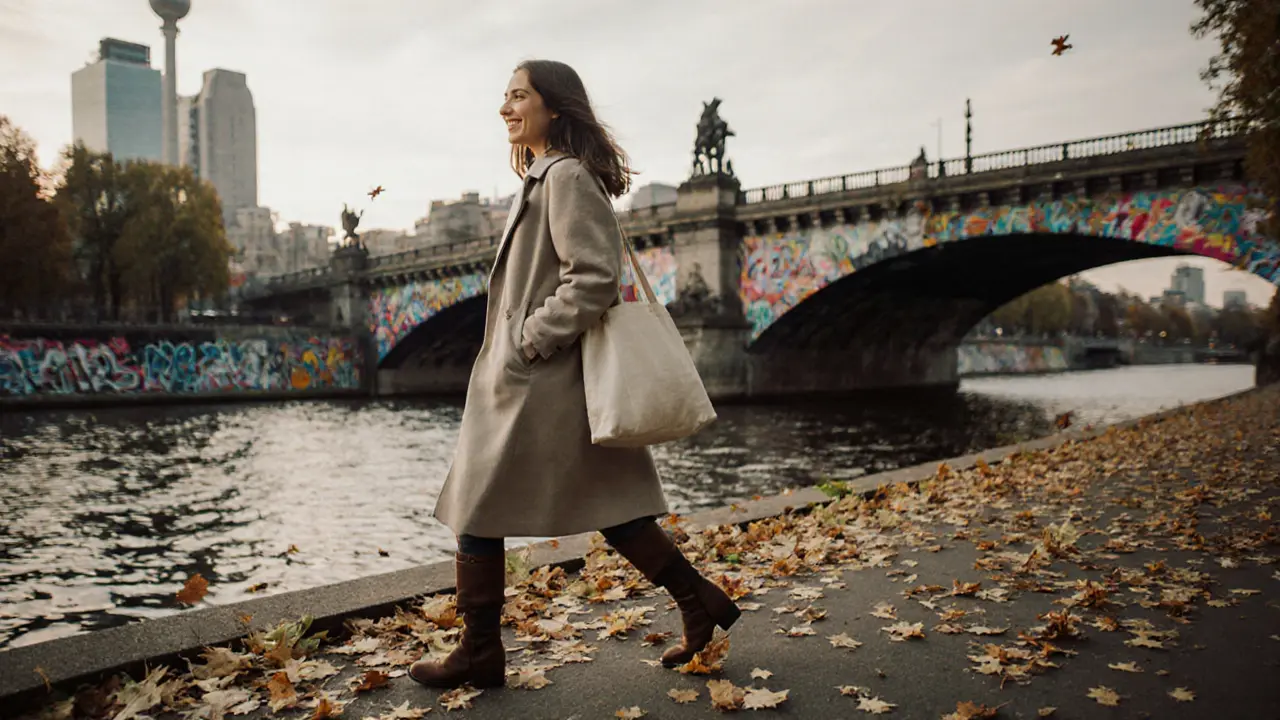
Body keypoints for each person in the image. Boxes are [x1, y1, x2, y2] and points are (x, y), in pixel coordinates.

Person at [409, 60, 741, 690]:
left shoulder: (563, 177)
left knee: (476, 510)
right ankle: (699, 602)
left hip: (541, 383)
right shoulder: (545, 176)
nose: (505, 108)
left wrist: (530, 341)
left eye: (518, 96)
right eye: (503, 97)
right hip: (541, 382)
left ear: (554, 107)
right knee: (614, 508)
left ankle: (480, 653)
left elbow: (592, 276)